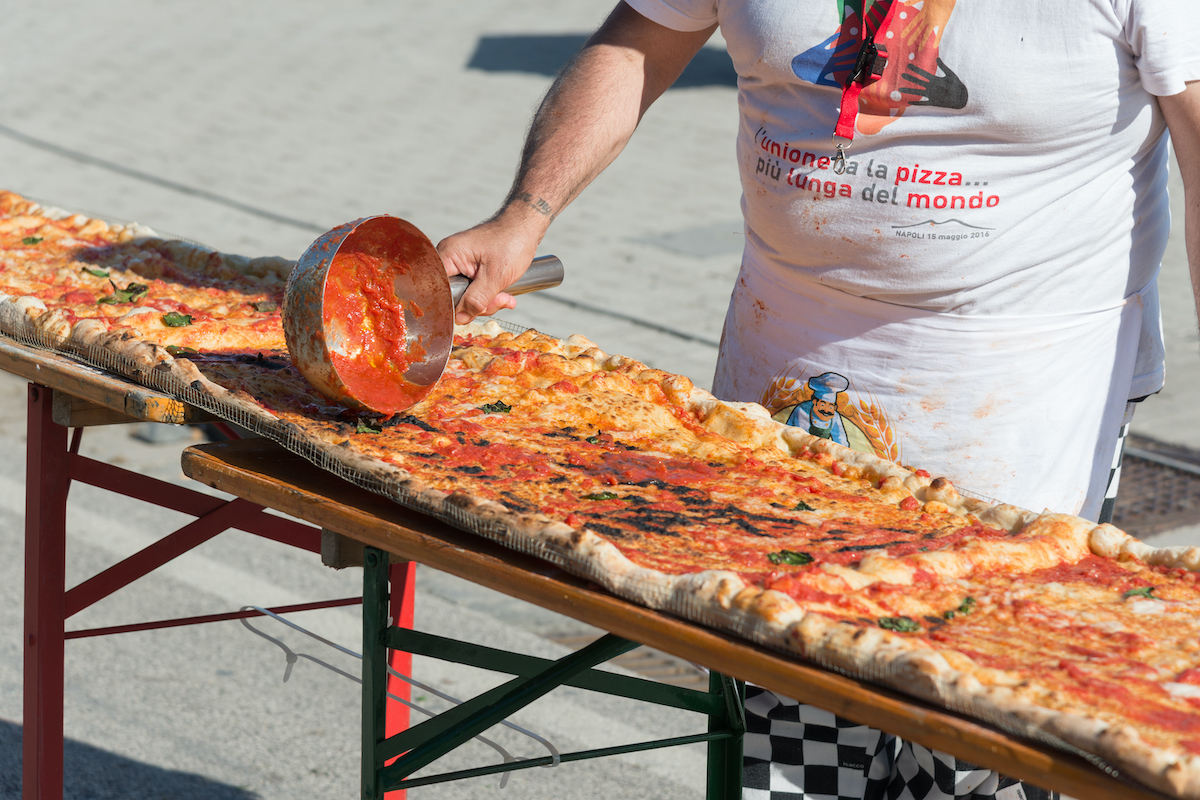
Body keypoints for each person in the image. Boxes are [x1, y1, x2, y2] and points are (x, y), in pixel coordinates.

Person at [437, 1, 1200, 797]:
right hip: (777, 405)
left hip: (1025, 410)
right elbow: (639, 42)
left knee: (980, 748)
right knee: (790, 739)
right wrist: (525, 213)